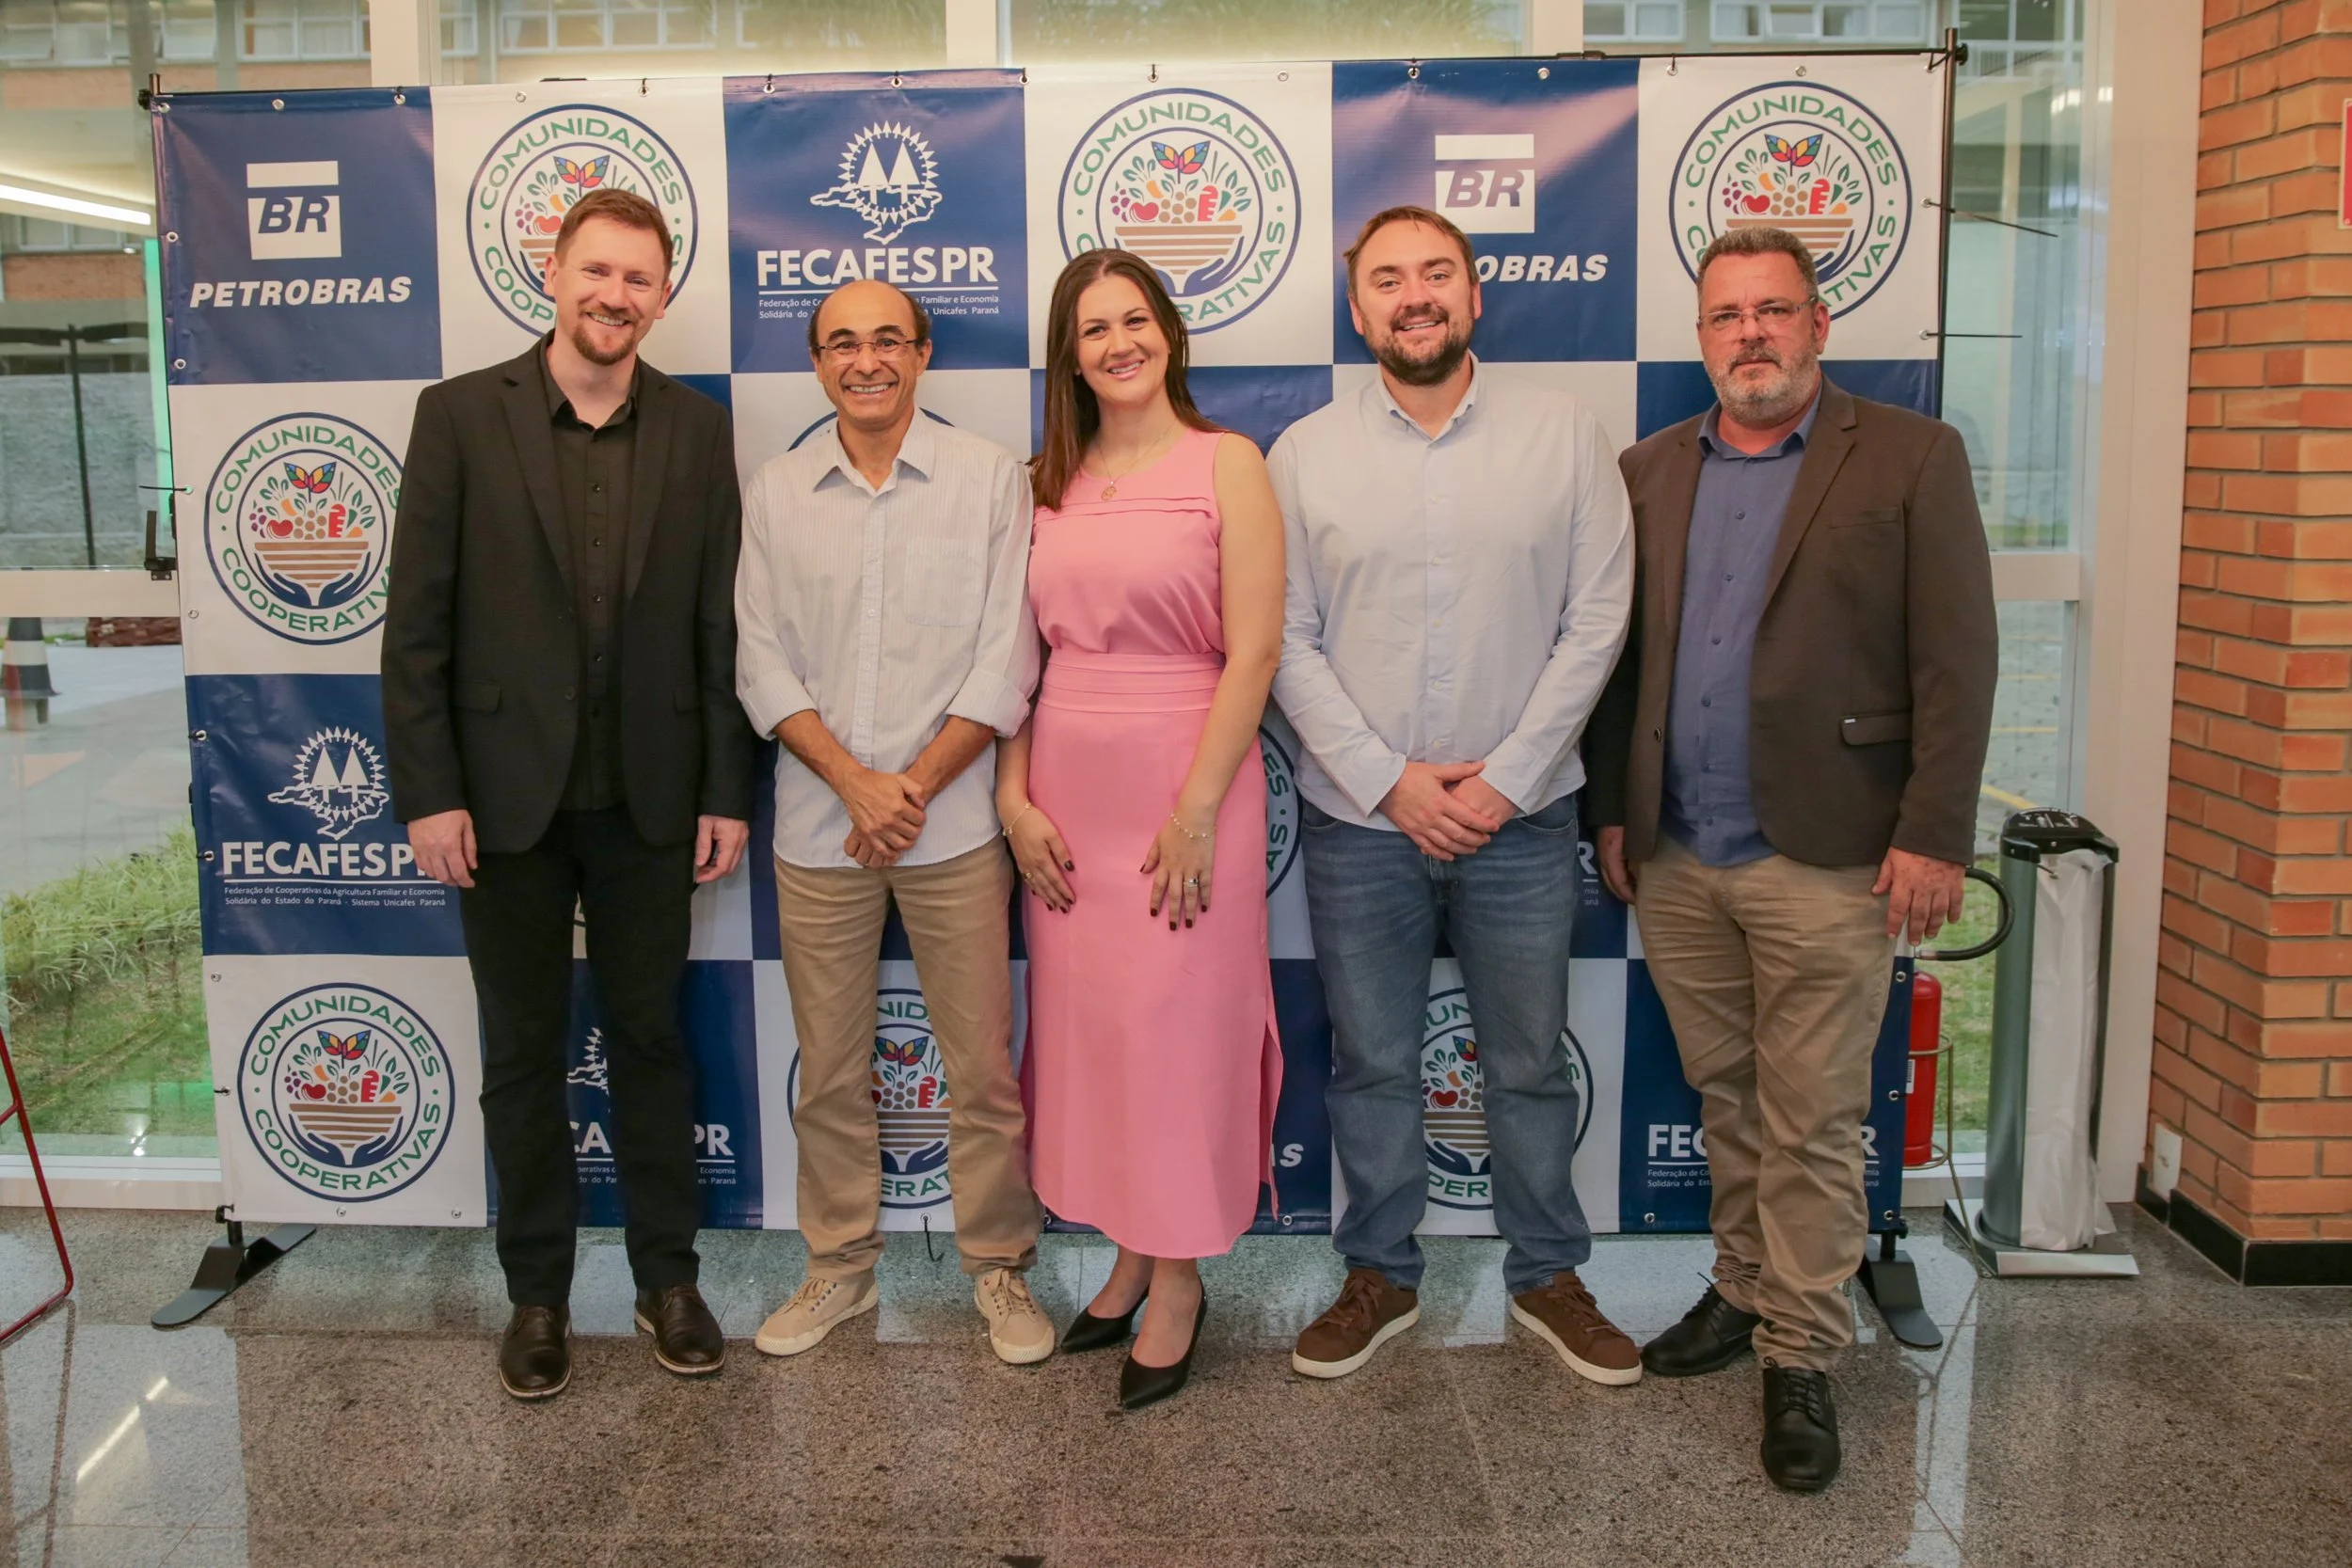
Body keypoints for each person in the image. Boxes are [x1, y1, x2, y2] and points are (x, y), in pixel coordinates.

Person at [1583, 226, 1996, 1492]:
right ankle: (1746, 1283)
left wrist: (1933, 829)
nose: (1750, 334)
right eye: (1726, 315)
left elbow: (1958, 656)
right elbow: (1619, 656)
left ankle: (1803, 1350)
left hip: (1833, 852)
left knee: (1812, 1117)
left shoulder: (1911, 456)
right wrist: (1614, 811)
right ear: (1701, 337)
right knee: (1729, 1096)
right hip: (1679, 849)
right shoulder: (1649, 467)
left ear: (1819, 324)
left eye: (1773, 310)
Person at [382, 188, 755, 1400]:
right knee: (521, 1053)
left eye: (639, 278)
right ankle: (536, 1295)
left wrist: (725, 787)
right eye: (597, 271)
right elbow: (416, 627)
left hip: (651, 800)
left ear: (662, 296)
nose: (615, 295)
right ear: (552, 272)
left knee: (650, 1041)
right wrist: (428, 791)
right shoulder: (457, 416)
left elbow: (718, 627)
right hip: (499, 805)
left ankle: (668, 1282)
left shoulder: (697, 430)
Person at [1270, 206, 1638, 1387]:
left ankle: (1549, 1275)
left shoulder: (1563, 435)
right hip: (1360, 824)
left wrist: (1507, 777)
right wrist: (1388, 781)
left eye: (1437, 273)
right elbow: (1282, 638)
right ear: (1357, 308)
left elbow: (1598, 621)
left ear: (1475, 296)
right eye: (1387, 279)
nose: (1414, 294)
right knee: (1373, 1061)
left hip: (1521, 821)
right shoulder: (1303, 454)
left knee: (1526, 1060)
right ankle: (1378, 1271)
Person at [735, 278, 1055, 1368]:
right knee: (829, 1070)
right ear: (816, 363)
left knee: (982, 1070)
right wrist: (854, 785)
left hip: (952, 826)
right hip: (818, 828)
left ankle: (998, 1265)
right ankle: (838, 1265)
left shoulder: (987, 478)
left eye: (886, 340)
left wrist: (905, 786)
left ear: (921, 353)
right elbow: (760, 658)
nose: (864, 360)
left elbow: (1007, 656)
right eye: (841, 343)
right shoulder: (778, 489)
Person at [1001, 248, 1285, 1411]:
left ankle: (1178, 1279)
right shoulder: (1044, 481)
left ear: (1168, 332)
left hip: (1186, 785)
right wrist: (1013, 799)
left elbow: (1254, 652)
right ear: (1069, 357)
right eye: (1092, 328)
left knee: (1178, 1037)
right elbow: (1017, 661)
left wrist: (1196, 811)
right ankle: (1127, 1249)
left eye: (1134, 320)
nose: (1117, 342)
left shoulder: (1229, 463)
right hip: (1066, 792)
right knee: (1100, 1036)